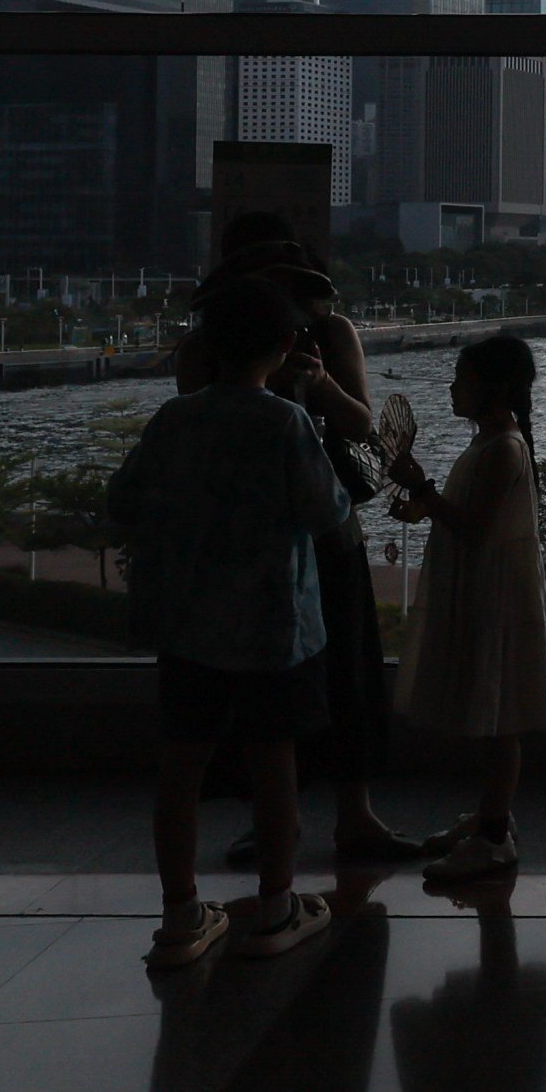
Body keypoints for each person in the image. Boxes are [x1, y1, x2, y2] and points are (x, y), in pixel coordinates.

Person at [109, 276, 348, 971]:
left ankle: (182, 916)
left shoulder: (175, 419)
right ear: (283, 348)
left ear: (206, 347)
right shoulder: (284, 422)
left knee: (180, 770)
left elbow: (124, 502)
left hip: (186, 628)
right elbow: (328, 514)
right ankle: (276, 907)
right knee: (275, 768)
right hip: (275, 633)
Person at [188, 218, 424, 869]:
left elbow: (362, 428)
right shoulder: (204, 346)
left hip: (324, 524)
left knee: (345, 667)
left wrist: (317, 384)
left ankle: (355, 814)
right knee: (256, 675)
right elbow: (200, 417)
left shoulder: (329, 334)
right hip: (248, 530)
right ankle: (271, 816)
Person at [386, 335, 546, 887]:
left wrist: (423, 489)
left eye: (461, 379)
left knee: (499, 718)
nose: (451, 387)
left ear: (489, 387)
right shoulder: (498, 443)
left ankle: (493, 837)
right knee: (496, 714)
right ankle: (492, 817)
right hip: (493, 592)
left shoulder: (501, 448)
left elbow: (474, 527)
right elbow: (469, 518)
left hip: (494, 599)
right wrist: (427, 504)